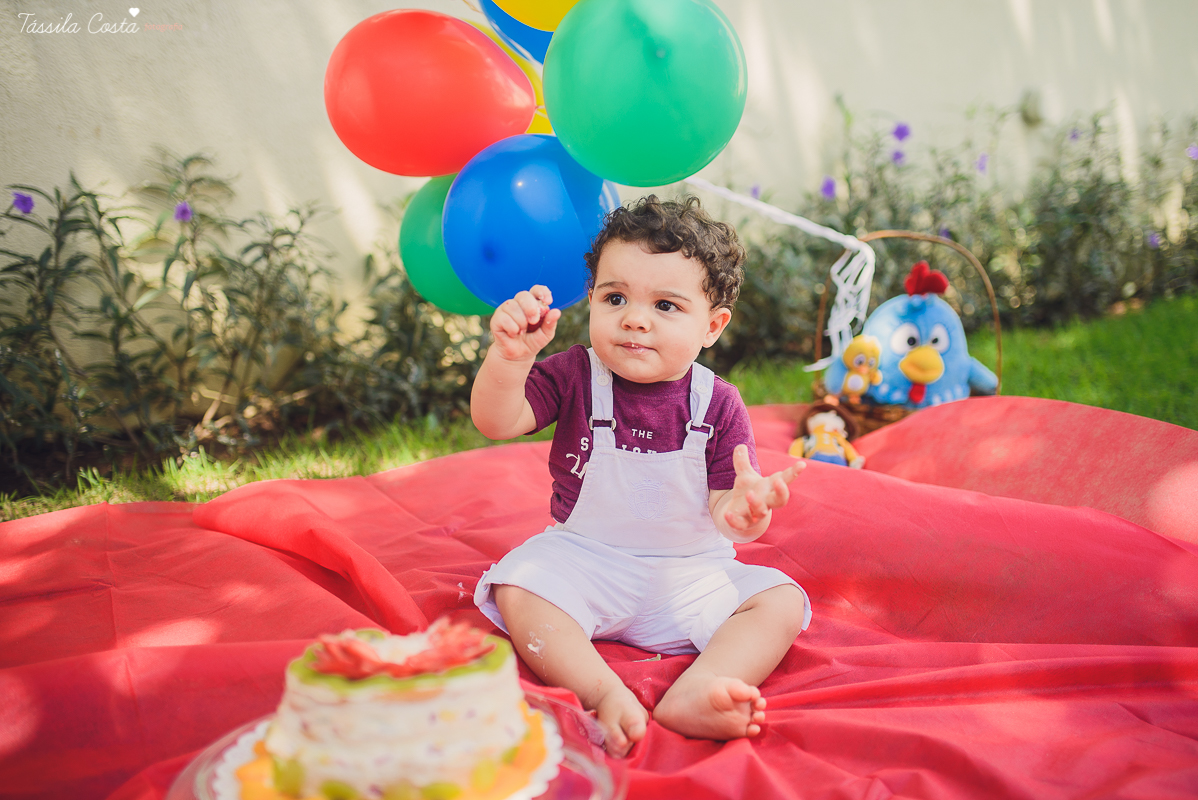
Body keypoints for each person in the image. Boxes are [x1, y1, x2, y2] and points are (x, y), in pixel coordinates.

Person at [471, 195, 811, 757]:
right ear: (591, 299)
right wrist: (510, 358)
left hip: (691, 575)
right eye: (616, 297)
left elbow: (728, 511)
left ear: (712, 326)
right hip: (586, 560)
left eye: (666, 305)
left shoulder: (718, 403)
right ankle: (601, 690)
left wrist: (746, 511)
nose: (634, 318)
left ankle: (700, 688)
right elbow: (497, 421)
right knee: (518, 585)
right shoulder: (575, 374)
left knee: (779, 602)